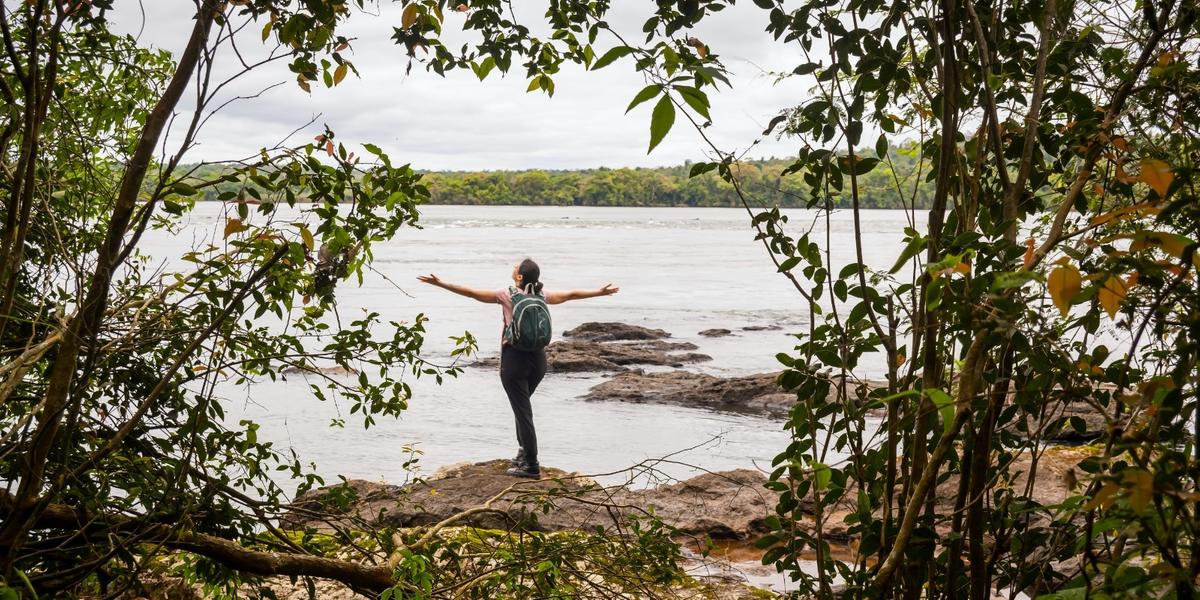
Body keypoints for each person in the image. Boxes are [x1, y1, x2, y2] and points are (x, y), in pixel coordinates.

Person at [417, 259, 619, 478]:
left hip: (514, 360)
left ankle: (531, 465)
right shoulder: (542, 295)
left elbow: (472, 293)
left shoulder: (507, 294)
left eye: (515, 268)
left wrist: (441, 284)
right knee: (521, 409)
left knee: (523, 413)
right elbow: (571, 295)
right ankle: (523, 453)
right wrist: (598, 292)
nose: (512, 269)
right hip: (539, 361)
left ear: (520, 277)